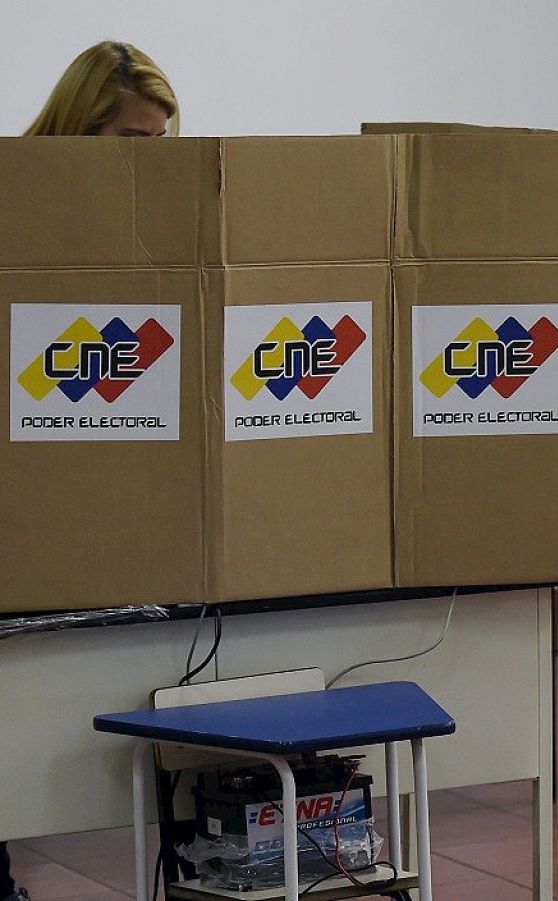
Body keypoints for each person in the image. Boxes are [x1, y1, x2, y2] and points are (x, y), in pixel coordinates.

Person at [0, 40, 178, 901]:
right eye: (130, 144)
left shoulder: (148, 223)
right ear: (80, 128)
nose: (149, 165)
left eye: (161, 144)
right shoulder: (16, 203)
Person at [24, 40, 177, 137]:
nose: (153, 157)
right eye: (134, 139)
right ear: (84, 129)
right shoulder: (12, 180)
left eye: (159, 140)